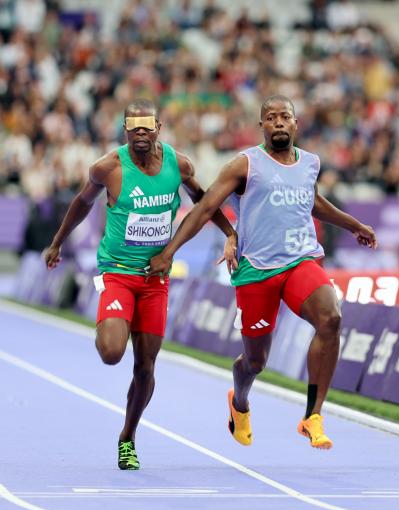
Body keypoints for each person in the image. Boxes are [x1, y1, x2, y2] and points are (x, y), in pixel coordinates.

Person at [148, 95, 377, 449]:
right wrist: (169, 251)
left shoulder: (310, 163)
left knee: (330, 318)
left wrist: (353, 225)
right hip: (256, 269)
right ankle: (239, 401)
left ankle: (312, 416)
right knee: (255, 361)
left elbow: (312, 201)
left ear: (296, 123)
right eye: (271, 117)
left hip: (301, 259)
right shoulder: (244, 165)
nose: (279, 122)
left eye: (285, 116)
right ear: (262, 126)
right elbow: (207, 206)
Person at [44, 99, 235, 469]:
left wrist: (230, 232)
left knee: (145, 367)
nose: (141, 133)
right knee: (112, 352)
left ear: (159, 128)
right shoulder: (108, 168)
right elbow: (82, 203)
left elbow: (203, 200)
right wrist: (58, 241)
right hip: (117, 270)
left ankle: (128, 437)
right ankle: (110, 321)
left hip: (155, 279)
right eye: (134, 127)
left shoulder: (178, 165)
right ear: (125, 131)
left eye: (148, 126)